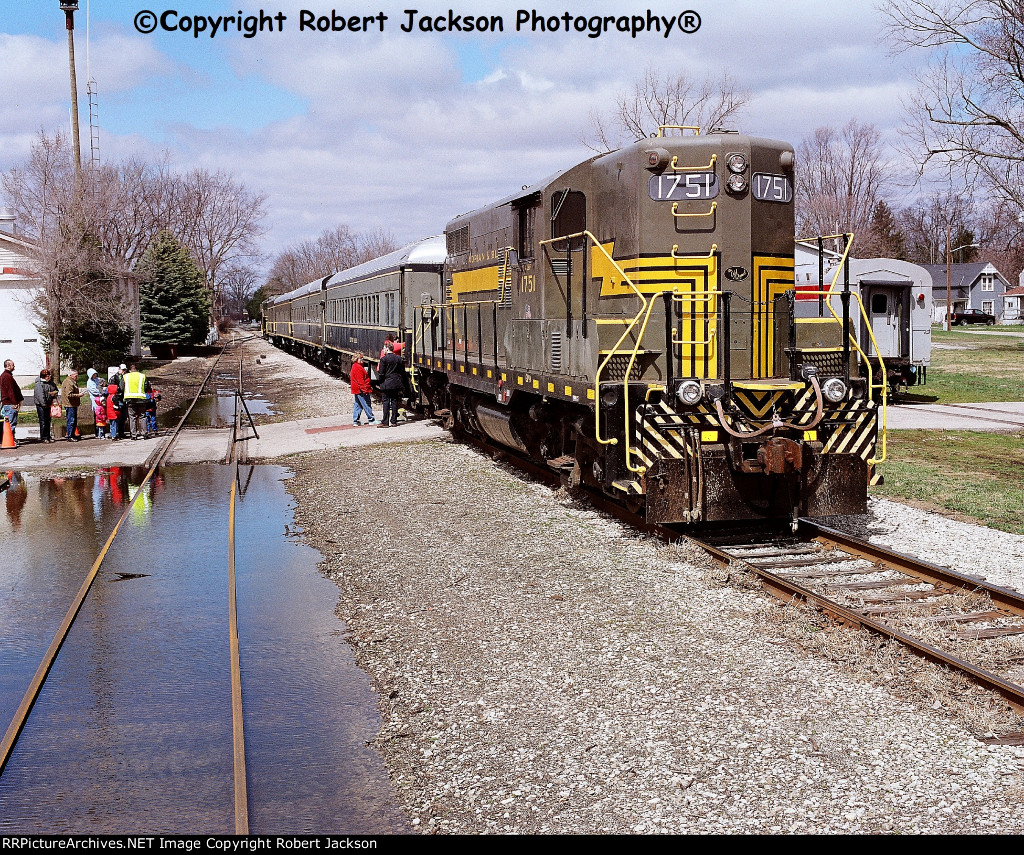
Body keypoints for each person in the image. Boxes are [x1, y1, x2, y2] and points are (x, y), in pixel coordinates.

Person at [376, 341, 409, 428]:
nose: (383, 350)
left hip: (386, 382)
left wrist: (381, 382)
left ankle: (385, 422)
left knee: (386, 402)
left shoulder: (384, 359)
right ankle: (394, 421)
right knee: (394, 401)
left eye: (384, 348)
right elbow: (402, 371)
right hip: (396, 382)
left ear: (387, 349)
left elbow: (381, 373)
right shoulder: (398, 359)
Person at [120, 362, 151, 439]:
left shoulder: (125, 376)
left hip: (130, 399)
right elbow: (147, 386)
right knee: (142, 416)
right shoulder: (142, 376)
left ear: (129, 370)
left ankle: (133, 435)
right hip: (141, 399)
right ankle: (144, 433)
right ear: (138, 369)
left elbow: (121, 387)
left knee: (132, 417)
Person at [1, 359, 24, 444]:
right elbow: (10, 391)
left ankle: (10, 438)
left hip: (8, 403)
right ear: (8, 366)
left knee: (10, 422)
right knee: (11, 422)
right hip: (10, 403)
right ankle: (9, 440)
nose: (14, 367)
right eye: (13, 365)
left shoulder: (6, 375)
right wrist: (14, 402)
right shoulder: (7, 377)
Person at [33, 368, 58, 443]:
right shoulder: (39, 384)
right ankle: (43, 437)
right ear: (43, 376)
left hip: (48, 404)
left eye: (49, 375)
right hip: (41, 405)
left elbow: (55, 389)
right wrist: (44, 404)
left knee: (48, 421)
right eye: (47, 376)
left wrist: (54, 394)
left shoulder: (51, 383)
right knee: (43, 421)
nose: (49, 377)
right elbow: (40, 395)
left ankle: (48, 436)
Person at [350, 354, 376, 426]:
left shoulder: (355, 366)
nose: (362, 359)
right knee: (366, 403)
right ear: (356, 359)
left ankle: (356, 421)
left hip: (357, 389)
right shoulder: (358, 367)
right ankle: (371, 419)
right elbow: (360, 381)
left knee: (358, 404)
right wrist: (365, 390)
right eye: (360, 358)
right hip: (360, 389)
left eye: (362, 358)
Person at [59, 369, 82, 441]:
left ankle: (72, 434)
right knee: (71, 420)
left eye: (77, 375)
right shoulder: (69, 382)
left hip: (73, 404)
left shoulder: (71, 381)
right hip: (70, 404)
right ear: (70, 375)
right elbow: (69, 395)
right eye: (75, 375)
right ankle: (69, 436)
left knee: (74, 420)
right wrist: (78, 395)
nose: (77, 377)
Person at [86, 368, 107, 439]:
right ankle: (97, 432)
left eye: (95, 374)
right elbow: (94, 391)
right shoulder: (89, 382)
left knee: (103, 416)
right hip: (95, 400)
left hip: (102, 400)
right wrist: (101, 391)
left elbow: (103, 384)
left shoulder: (98, 379)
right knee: (97, 416)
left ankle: (103, 432)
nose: (95, 376)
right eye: (93, 374)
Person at [106, 374, 122, 441]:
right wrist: (119, 409)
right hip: (114, 414)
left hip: (109, 413)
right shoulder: (114, 397)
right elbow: (115, 406)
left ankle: (112, 434)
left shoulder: (108, 397)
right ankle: (114, 436)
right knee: (114, 425)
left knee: (111, 425)